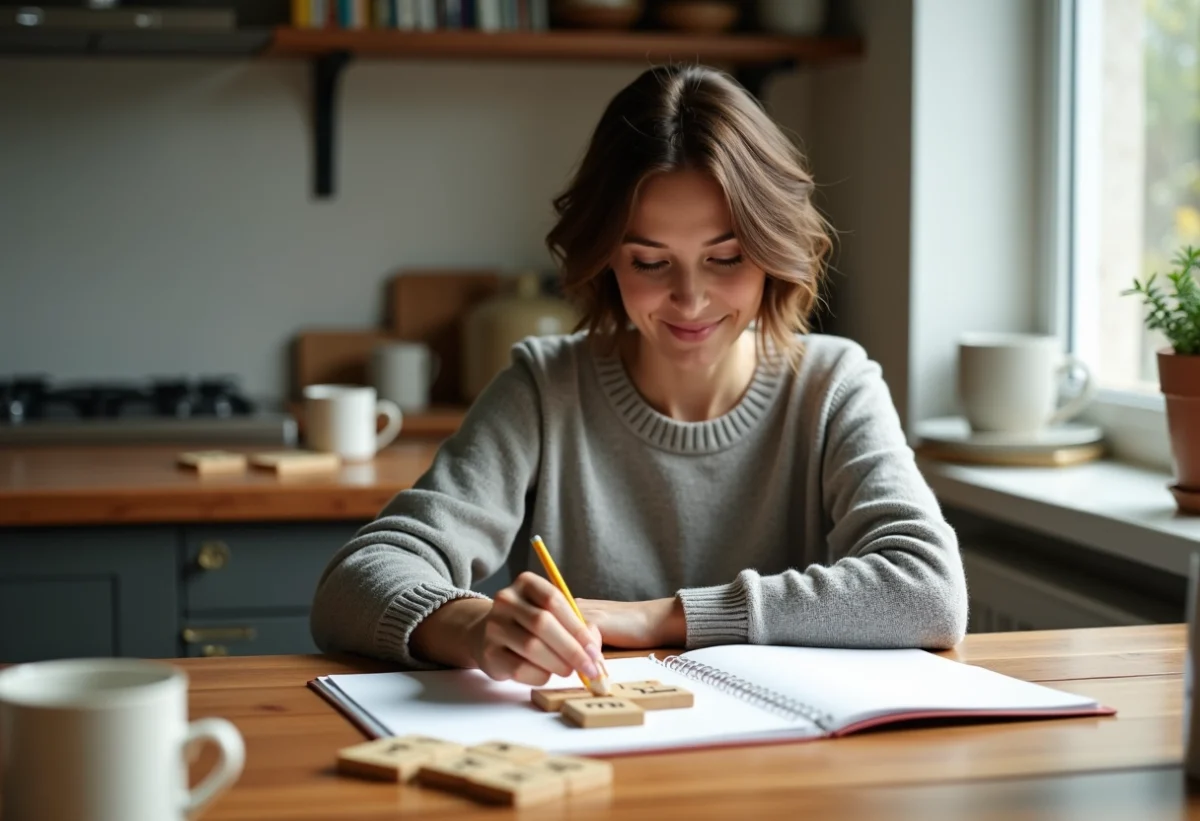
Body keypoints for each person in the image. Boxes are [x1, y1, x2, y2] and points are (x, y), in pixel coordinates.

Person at [310, 64, 968, 686]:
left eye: (726, 257)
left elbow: (928, 591)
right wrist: (477, 626)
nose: (690, 298)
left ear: (775, 250)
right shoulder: (545, 389)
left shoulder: (833, 384)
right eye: (651, 262)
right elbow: (354, 582)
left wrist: (661, 616)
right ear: (605, 262)